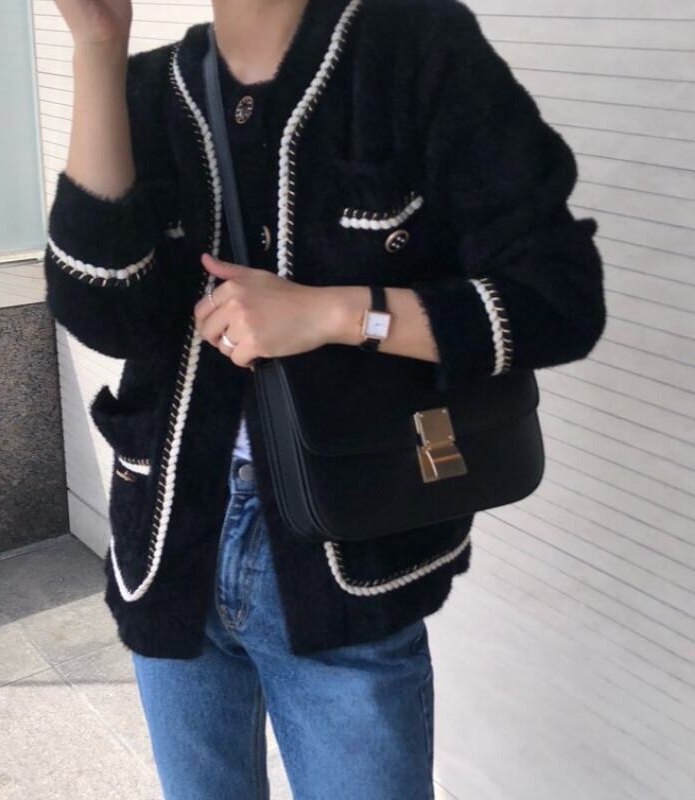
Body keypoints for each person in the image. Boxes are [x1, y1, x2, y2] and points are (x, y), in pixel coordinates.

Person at [45, 1, 606, 797]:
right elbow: (102, 315)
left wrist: (338, 313)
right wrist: (97, 46)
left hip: (348, 558)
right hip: (170, 551)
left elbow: (558, 299)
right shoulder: (148, 86)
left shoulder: (413, 51)